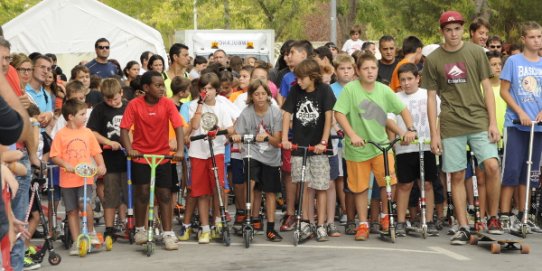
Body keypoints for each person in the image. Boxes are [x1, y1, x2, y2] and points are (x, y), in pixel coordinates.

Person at [423, 11, 502, 245]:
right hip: (451, 122)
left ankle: (494, 217)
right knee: (456, 175)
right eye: (448, 30)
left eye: (457, 28)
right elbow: (430, 98)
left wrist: (493, 122)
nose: (453, 33)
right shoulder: (434, 59)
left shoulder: (477, 52)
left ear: (463, 29)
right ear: (442, 32)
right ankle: (464, 226)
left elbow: (487, 88)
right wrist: (434, 133)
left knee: (492, 166)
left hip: (478, 119)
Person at [333, 53, 416, 241]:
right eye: (365, 68)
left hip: (381, 146)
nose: (370, 72)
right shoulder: (351, 90)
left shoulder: (383, 90)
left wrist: (409, 129)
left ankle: (385, 217)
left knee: (389, 182)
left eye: (373, 68)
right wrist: (352, 135)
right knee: (360, 188)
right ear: (358, 71)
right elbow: (339, 114)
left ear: (377, 70)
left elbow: (401, 110)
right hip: (358, 148)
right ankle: (363, 224)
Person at [120, 71, 184, 251]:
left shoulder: (167, 104)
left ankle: (168, 233)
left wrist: (179, 150)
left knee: (164, 195)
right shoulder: (134, 104)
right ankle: (140, 230)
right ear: (146, 88)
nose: (162, 88)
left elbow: (178, 126)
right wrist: (130, 149)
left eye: (162, 85)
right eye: (157, 85)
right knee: (141, 193)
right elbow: (124, 129)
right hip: (141, 157)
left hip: (162, 156)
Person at [281, 59, 336, 242]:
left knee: (321, 187)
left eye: (301, 78)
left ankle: (321, 224)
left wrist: (323, 141)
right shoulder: (295, 90)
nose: (298, 82)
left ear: (312, 77)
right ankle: (305, 221)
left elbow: (328, 117)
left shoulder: (325, 90)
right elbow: (287, 113)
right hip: (299, 146)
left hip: (318, 147)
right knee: (303, 185)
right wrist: (284, 139)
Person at [499, 21, 542, 234]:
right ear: (524, 39)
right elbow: (504, 91)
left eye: (539, 36)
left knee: (530, 172)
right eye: (533, 37)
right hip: (516, 125)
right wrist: (520, 112)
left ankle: (524, 214)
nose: (537, 40)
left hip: (538, 127)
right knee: (512, 170)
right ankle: (505, 215)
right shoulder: (513, 62)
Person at [389, 63, 440, 237]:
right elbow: (391, 122)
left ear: (418, 78)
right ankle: (401, 221)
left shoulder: (428, 95)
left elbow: (439, 118)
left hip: (425, 145)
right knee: (405, 184)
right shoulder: (395, 97)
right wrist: (399, 138)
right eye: (402, 80)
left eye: (410, 78)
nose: (406, 83)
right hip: (405, 149)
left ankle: (430, 220)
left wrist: (436, 138)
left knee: (426, 183)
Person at [50, 98, 107, 255]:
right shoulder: (61, 135)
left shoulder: (87, 132)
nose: (85, 116)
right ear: (70, 117)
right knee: (72, 211)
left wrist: (101, 165)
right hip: (67, 180)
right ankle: (77, 241)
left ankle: (91, 232)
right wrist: (64, 164)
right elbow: (54, 156)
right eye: (82, 114)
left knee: (84, 203)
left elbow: (96, 152)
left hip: (85, 177)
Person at [231, 79, 283, 241]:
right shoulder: (246, 113)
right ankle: (249, 219)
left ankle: (270, 227)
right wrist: (236, 137)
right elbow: (237, 134)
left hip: (271, 156)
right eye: (256, 94)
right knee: (251, 182)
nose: (260, 97)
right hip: (251, 153)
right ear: (251, 96)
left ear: (268, 95)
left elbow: (278, 141)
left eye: (263, 94)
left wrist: (267, 137)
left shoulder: (275, 113)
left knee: (270, 191)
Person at [188, 72, 235, 244]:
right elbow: (194, 125)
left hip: (217, 151)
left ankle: (217, 222)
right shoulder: (194, 105)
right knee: (201, 191)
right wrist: (200, 103)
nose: (206, 92)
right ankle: (205, 228)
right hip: (198, 152)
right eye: (203, 89)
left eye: (210, 89)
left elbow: (230, 129)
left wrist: (219, 129)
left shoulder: (222, 106)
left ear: (216, 90)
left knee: (217, 187)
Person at [86, 78, 128, 241]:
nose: (111, 102)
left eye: (115, 99)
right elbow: (92, 132)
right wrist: (108, 142)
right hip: (110, 160)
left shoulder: (129, 106)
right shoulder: (99, 110)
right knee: (111, 195)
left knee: (129, 194)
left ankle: (128, 223)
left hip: (129, 159)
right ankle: (109, 228)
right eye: (108, 99)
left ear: (121, 93)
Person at [330, 54, 356, 231]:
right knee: (339, 177)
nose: (345, 72)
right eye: (342, 68)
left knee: (353, 178)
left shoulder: (358, 88)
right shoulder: (331, 89)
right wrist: (338, 131)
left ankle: (356, 211)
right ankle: (345, 210)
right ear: (335, 71)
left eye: (349, 68)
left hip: (355, 140)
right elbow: (331, 114)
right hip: (336, 139)